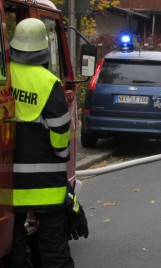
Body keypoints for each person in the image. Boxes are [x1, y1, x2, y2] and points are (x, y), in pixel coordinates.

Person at [5, 18, 88, 268]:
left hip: (8, 184)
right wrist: (61, 158)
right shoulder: (47, 82)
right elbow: (61, 131)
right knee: (53, 248)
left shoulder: (4, 76)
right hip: (45, 185)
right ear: (44, 49)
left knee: (14, 246)